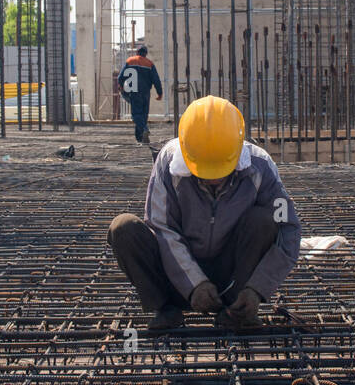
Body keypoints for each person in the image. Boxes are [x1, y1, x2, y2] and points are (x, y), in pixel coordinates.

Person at [107, 95, 302, 332]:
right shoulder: (168, 163)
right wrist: (194, 283)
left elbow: (288, 229)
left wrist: (257, 288)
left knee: (264, 221)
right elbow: (162, 228)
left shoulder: (261, 167)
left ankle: (235, 311)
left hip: (231, 277)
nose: (213, 178)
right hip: (174, 276)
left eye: (220, 169)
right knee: (123, 228)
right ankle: (166, 309)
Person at [118, 44, 163, 144]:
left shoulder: (130, 61)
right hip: (146, 93)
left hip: (134, 92)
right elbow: (156, 80)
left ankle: (144, 131)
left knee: (137, 115)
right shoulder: (149, 64)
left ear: (137, 52)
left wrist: (122, 87)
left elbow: (120, 77)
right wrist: (159, 93)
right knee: (143, 115)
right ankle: (140, 138)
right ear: (146, 53)